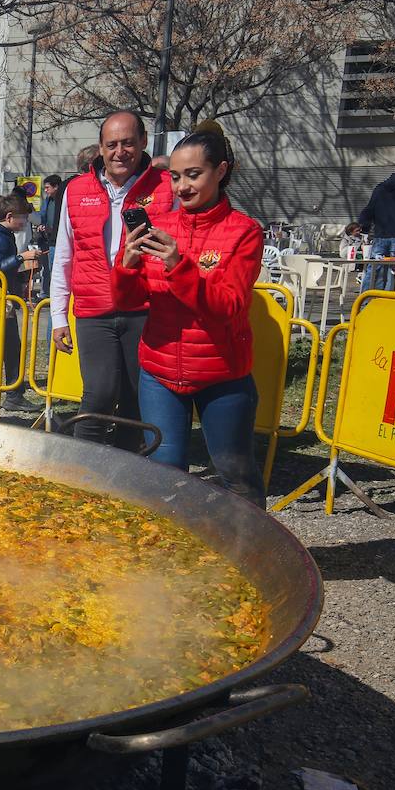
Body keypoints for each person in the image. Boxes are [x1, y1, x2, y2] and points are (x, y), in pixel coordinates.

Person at [114, 125, 266, 505]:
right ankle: (169, 557)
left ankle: (254, 555)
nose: (182, 187)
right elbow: (127, 299)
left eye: (193, 175)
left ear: (221, 171)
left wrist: (178, 265)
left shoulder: (244, 232)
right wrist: (128, 264)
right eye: (176, 177)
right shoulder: (158, 225)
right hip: (160, 370)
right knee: (163, 475)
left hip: (221, 373)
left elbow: (228, 307)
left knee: (235, 474)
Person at [49, 110, 174, 448]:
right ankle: (82, 469)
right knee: (99, 395)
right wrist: (58, 317)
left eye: (129, 143)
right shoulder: (76, 190)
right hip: (93, 309)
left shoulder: (166, 187)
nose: (120, 152)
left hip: (144, 307)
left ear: (144, 142)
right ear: (101, 148)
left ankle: (125, 471)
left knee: (136, 397)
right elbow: (64, 254)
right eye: (112, 145)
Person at [0, 194, 42, 412]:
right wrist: (22, 258)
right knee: (12, 348)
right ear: (10, 216)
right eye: (23, 218)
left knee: (9, 347)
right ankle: (13, 394)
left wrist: (22, 272)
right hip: (1, 300)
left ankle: (12, 392)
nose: (25, 222)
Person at [357, 160, 395, 293]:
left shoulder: (381, 188)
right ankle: (389, 303)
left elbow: (369, 209)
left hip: (380, 236)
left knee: (374, 271)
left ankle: (366, 302)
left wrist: (364, 229)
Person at [38, 174, 64, 301]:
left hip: (59, 240)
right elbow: (44, 217)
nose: (45, 190)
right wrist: (43, 226)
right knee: (47, 269)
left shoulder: (63, 200)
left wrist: (52, 229)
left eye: (47, 187)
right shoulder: (48, 201)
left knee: (56, 270)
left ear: (56, 187)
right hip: (48, 239)